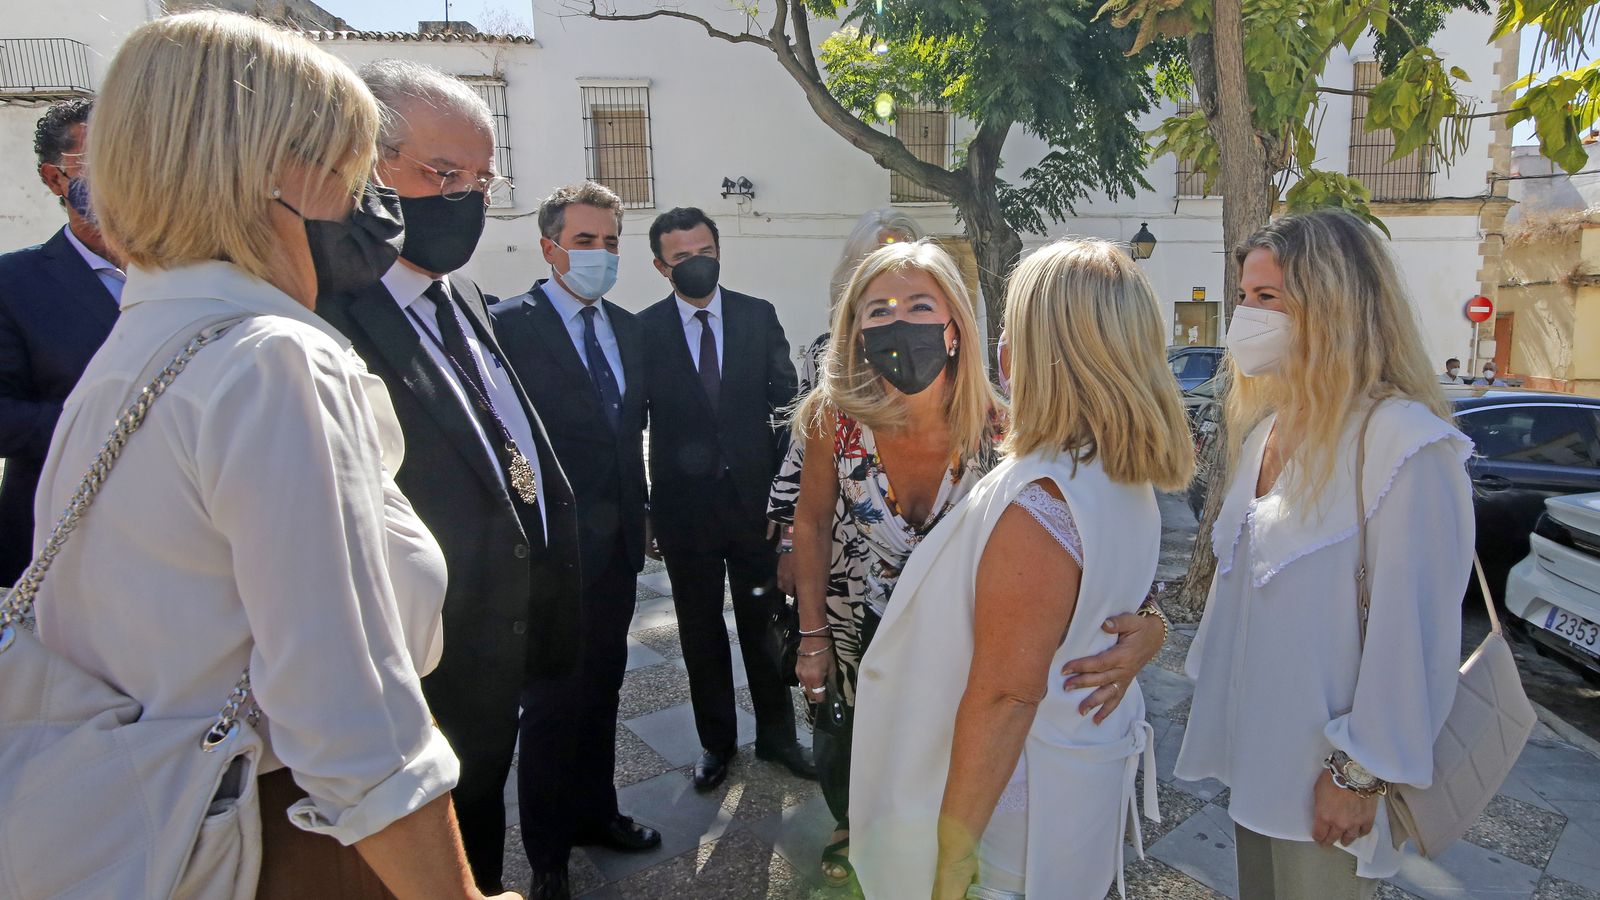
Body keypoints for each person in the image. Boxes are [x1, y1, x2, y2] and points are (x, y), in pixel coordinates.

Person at [30, 12, 516, 899]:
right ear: (268, 170)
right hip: (281, 842)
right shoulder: (274, 361)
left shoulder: (135, 349)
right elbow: (353, 722)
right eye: (350, 166)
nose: (371, 202)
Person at [847, 240, 1192, 900]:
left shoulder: (1043, 499)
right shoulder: (1114, 471)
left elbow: (1005, 698)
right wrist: (1153, 621)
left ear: (1039, 352)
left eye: (1012, 329)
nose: (1000, 346)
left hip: (1013, 819)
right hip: (1071, 787)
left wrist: (950, 864)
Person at [315, 58, 581, 895]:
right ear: (364, 166)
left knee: (481, 828)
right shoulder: (327, 314)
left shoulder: (457, 296)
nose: (466, 199)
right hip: (423, 664)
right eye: (443, 174)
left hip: (499, 647)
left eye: (480, 179)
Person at [1175, 209, 1474, 898]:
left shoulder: (1405, 446)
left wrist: (1360, 773)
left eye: (1267, 297)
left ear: (1332, 306)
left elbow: (1415, 636)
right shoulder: (1268, 434)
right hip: (1256, 763)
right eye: (1243, 297)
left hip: (1328, 789)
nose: (1246, 316)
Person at [490, 182, 655, 899]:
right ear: (549, 247)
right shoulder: (507, 327)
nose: (601, 255)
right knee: (554, 704)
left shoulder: (627, 328)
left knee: (604, 687)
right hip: (549, 552)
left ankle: (597, 814)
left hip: (615, 549)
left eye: (611, 242)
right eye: (585, 241)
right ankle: (548, 856)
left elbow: (629, 434)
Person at [638, 206, 813, 790]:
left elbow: (788, 414)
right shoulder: (644, 331)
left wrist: (785, 505)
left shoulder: (757, 316)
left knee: (765, 625)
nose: (697, 263)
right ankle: (716, 744)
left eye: (705, 252)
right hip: (684, 514)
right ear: (661, 266)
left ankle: (778, 738)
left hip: (755, 509)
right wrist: (646, 510)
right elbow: (632, 425)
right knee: (699, 630)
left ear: (719, 252)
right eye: (682, 257)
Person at [0, 98, 124, 585]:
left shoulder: (191, 270)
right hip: (57, 546)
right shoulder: (14, 284)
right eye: (98, 162)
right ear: (55, 179)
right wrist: (110, 426)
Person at [770, 208, 921, 598]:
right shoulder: (827, 355)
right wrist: (790, 542)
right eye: (877, 262)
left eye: (905, 264)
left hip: (923, 533)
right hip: (843, 535)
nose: (893, 277)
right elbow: (801, 454)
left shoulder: (943, 351)